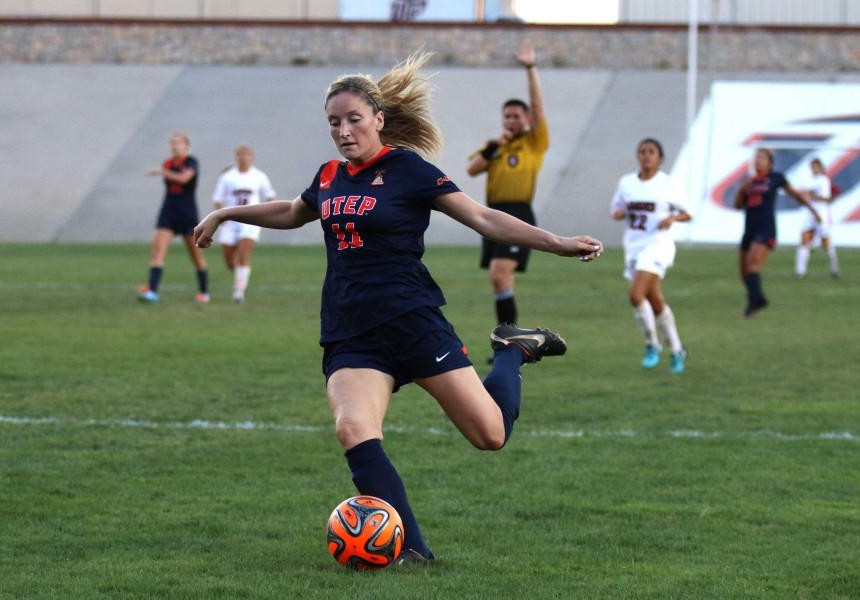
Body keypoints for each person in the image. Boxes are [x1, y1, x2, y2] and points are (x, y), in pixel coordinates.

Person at [193, 52, 602, 564]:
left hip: (412, 322)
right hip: (351, 331)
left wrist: (558, 242)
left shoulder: (406, 169)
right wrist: (226, 212)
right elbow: (292, 212)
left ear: (379, 120)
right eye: (334, 122)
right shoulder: (327, 177)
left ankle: (511, 351)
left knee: (490, 435)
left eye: (353, 119)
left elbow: (483, 218)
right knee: (353, 429)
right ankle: (413, 551)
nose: (343, 131)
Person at [466, 40, 548, 350]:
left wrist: (530, 69)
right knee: (500, 281)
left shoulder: (533, 142)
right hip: (493, 214)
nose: (512, 121)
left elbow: (539, 107)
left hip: (519, 212)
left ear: (526, 120)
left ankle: (510, 341)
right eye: (508, 116)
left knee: (501, 274)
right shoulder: (496, 146)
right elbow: (473, 169)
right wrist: (494, 146)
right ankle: (509, 343)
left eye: (517, 116)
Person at [610, 138, 691, 374]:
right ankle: (677, 350)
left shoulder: (668, 184)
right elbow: (616, 209)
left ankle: (651, 344)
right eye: (642, 152)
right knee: (655, 300)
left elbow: (687, 213)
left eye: (651, 152)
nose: (646, 156)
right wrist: (618, 212)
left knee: (636, 294)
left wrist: (672, 218)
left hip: (658, 244)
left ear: (660, 158)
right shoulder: (627, 182)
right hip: (634, 245)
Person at [735, 148, 819, 318]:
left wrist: (812, 210)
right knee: (744, 272)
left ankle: (753, 305)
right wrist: (742, 189)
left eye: (761, 158)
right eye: (756, 158)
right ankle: (759, 299)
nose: (757, 161)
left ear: (769, 162)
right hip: (749, 229)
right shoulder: (750, 182)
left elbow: (795, 194)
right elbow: (738, 205)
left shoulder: (776, 178)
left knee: (753, 266)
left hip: (765, 228)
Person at [138, 132, 210, 304]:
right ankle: (152, 291)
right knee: (157, 251)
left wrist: (163, 172)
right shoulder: (168, 163)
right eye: (172, 143)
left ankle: (204, 291)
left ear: (187, 146)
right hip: (168, 212)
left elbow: (185, 179)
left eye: (178, 143)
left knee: (196, 255)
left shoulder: (192, 162)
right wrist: (164, 171)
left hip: (187, 213)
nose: (174, 146)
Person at [212, 145, 277, 303]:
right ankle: (242, 277)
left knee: (243, 253)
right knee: (229, 260)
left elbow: (270, 196)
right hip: (231, 221)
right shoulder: (228, 177)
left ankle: (238, 293)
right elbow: (217, 199)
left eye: (247, 155)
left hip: (250, 221)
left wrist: (263, 213)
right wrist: (222, 217)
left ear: (252, 157)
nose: (244, 157)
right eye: (241, 155)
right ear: (236, 157)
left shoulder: (259, 176)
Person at [795, 158, 840, 279]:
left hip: (821, 213)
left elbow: (826, 198)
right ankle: (800, 271)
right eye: (812, 167)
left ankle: (834, 268)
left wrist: (811, 196)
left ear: (821, 167)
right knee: (804, 239)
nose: (814, 169)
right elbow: (804, 193)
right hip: (809, 213)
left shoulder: (824, 180)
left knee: (826, 242)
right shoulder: (810, 180)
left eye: (816, 166)